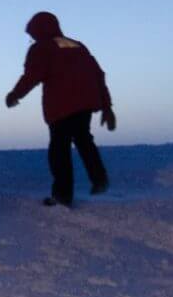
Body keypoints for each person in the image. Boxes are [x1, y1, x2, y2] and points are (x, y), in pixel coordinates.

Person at [6, 11, 113, 207]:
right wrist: (107, 107)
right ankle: (99, 180)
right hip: (85, 103)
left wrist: (15, 94)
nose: (32, 38)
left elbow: (31, 76)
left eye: (33, 34)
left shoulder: (41, 49)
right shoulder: (78, 46)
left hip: (61, 105)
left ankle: (62, 195)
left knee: (59, 148)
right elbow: (98, 74)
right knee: (83, 140)